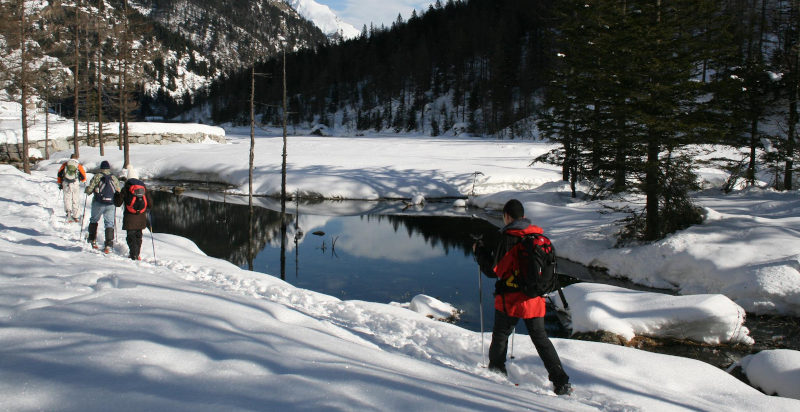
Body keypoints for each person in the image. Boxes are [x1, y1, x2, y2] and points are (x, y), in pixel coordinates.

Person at [473, 199, 572, 395]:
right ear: (523, 216)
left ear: (507, 216)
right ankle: (561, 381)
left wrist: (480, 253)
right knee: (541, 339)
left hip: (510, 299)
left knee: (501, 335)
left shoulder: (508, 238)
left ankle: (496, 372)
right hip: (534, 299)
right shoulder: (537, 236)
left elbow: (495, 270)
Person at [116, 165, 153, 260]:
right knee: (138, 236)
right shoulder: (143, 188)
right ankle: (137, 254)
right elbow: (150, 204)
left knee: (130, 236)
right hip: (141, 217)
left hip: (129, 216)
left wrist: (117, 194)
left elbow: (118, 203)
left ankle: (133, 254)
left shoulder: (126, 188)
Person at [84, 160, 121, 252]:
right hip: (111, 204)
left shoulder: (97, 176)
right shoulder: (114, 177)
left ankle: (92, 240)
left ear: (101, 168)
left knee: (94, 220)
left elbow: (89, 190)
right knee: (109, 223)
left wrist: (87, 190)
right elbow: (118, 190)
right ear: (108, 168)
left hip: (99, 202)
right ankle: (108, 244)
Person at [56, 154, 87, 222]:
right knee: (75, 198)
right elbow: (83, 177)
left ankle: (68, 213)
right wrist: (83, 180)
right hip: (75, 183)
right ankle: (76, 216)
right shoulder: (78, 165)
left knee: (67, 198)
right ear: (76, 158)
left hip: (66, 183)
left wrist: (60, 182)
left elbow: (59, 174)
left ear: (70, 158)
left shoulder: (65, 164)